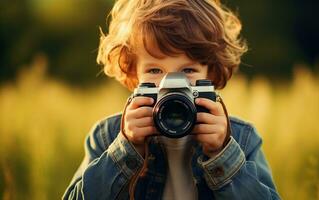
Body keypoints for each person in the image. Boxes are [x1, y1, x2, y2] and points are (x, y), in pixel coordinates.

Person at [63, 0, 280, 199]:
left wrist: (222, 155)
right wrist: (126, 149)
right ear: (134, 73)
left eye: (188, 70)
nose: (171, 85)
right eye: (155, 70)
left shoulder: (241, 139)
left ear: (210, 74)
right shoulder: (108, 136)